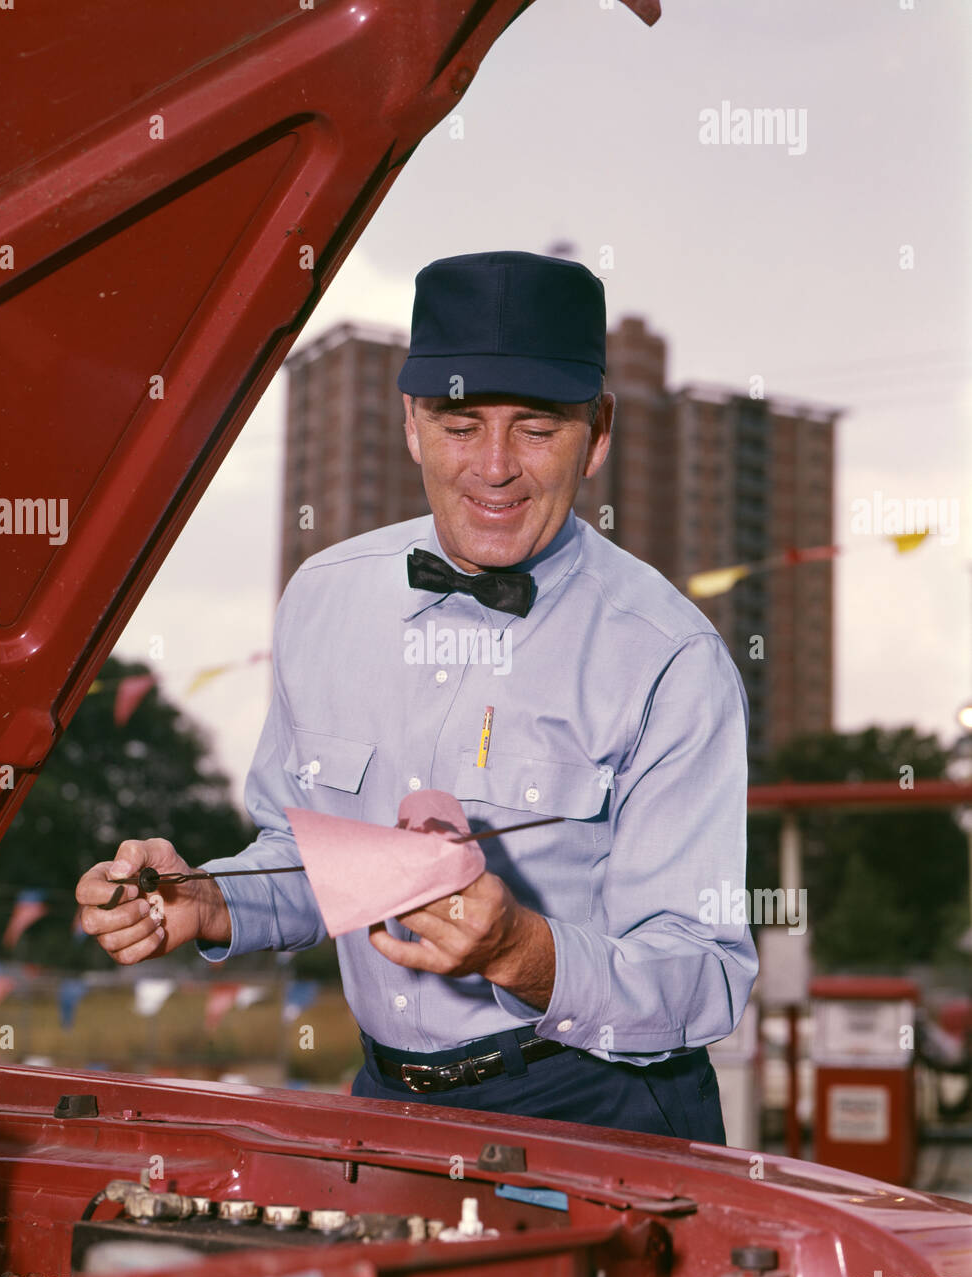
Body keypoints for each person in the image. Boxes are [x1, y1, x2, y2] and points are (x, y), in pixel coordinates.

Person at [76, 250, 757, 1141]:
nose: (495, 468)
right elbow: (309, 854)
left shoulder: (671, 658)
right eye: (460, 423)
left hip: (601, 1109)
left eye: (538, 429)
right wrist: (210, 901)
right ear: (410, 422)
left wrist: (526, 953)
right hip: (386, 1105)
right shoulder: (322, 597)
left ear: (598, 431)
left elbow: (704, 975)